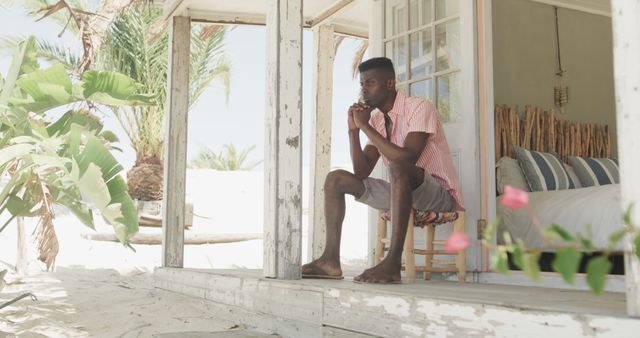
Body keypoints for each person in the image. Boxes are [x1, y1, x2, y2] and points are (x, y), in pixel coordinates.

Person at [301, 57, 464, 284]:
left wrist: (365, 126)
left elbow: (407, 158)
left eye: (370, 83)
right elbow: (361, 171)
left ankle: (392, 263)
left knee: (399, 165)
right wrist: (354, 131)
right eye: (362, 84)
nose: (364, 89)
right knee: (335, 179)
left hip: (436, 195)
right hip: (401, 190)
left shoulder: (419, 107)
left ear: (389, 84)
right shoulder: (377, 119)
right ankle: (329, 262)